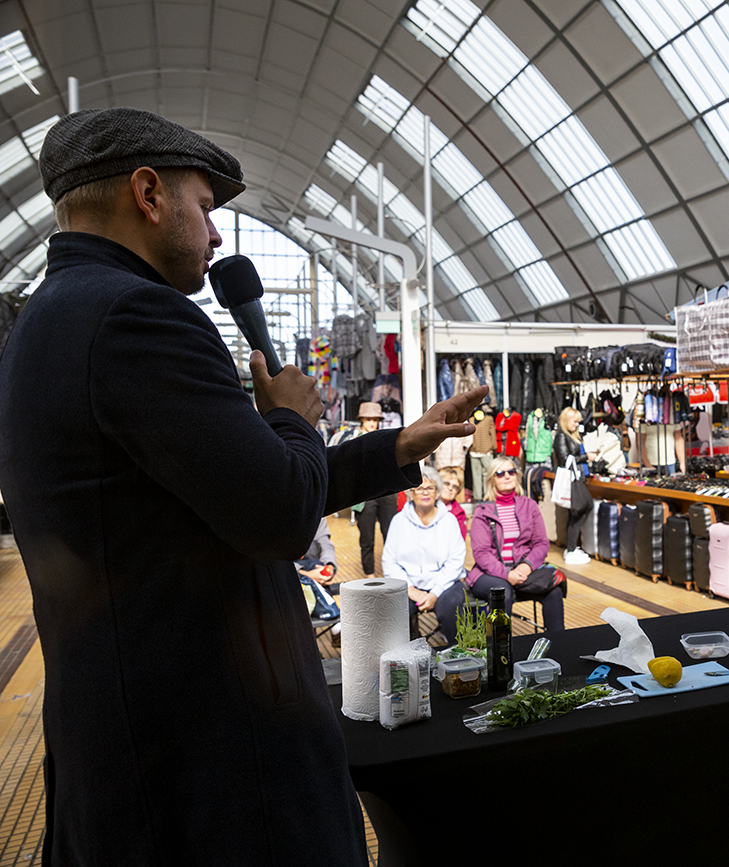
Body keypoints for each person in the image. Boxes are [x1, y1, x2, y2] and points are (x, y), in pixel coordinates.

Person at [0, 107, 488, 866]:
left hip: (130, 754)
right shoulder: (136, 316)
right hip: (209, 775)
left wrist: (397, 445)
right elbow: (278, 512)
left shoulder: (46, 321)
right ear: (148, 193)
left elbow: (231, 488)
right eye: (205, 207)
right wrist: (289, 416)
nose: (218, 235)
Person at [467, 457, 565, 630]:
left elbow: (541, 543)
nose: (507, 476)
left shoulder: (529, 505)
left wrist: (527, 565)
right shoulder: (482, 511)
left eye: (511, 472)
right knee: (502, 592)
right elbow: (481, 553)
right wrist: (507, 574)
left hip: (522, 570)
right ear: (491, 479)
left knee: (554, 591)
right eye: (500, 473)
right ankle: (499, 644)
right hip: (489, 573)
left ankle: (557, 643)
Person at [382, 468, 470, 645]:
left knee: (451, 608)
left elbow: (455, 560)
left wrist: (435, 593)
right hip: (408, 585)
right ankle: (403, 657)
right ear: (411, 493)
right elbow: (389, 561)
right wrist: (410, 590)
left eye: (430, 488)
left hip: (445, 584)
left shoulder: (449, 520)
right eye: (419, 488)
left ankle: (460, 654)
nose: (425, 492)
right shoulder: (399, 521)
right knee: (395, 613)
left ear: (437, 492)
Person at [351, 400, 398, 579]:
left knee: (391, 534)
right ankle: (369, 575)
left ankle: (393, 572)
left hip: (386, 492)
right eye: (368, 419)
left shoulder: (386, 439)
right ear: (361, 420)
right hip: (364, 495)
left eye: (375, 419)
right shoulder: (354, 441)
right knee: (367, 538)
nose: (372, 423)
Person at [552, 406, 590, 564]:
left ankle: (572, 548)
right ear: (566, 420)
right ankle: (571, 549)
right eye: (575, 421)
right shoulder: (561, 436)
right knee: (580, 508)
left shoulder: (570, 436)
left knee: (576, 512)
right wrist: (587, 457)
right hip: (571, 479)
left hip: (577, 477)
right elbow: (565, 459)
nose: (577, 425)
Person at [437, 467, 469, 538]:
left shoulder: (459, 514)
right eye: (447, 484)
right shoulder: (426, 505)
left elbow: (460, 539)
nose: (450, 488)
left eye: (455, 487)